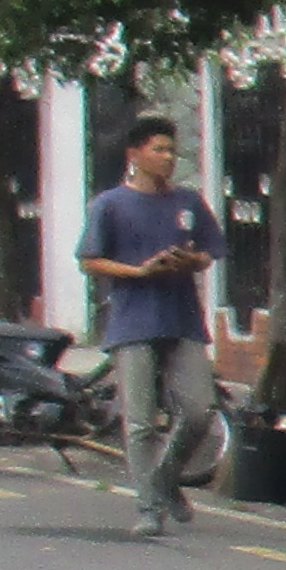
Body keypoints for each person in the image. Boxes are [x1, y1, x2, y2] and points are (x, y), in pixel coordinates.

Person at [77, 117, 225, 536]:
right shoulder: (109, 205)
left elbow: (209, 251)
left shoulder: (188, 202)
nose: (166, 158)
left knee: (199, 410)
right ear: (135, 155)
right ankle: (148, 507)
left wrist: (191, 261)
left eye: (171, 151)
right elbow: (89, 260)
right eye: (158, 150)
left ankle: (164, 477)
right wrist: (137, 272)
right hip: (133, 319)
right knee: (140, 421)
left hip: (181, 317)